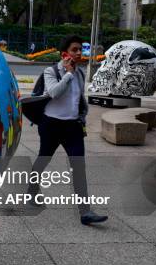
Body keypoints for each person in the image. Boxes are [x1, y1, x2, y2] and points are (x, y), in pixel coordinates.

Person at [28, 35, 108, 226]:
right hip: (51, 126)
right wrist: (68, 74)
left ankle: (85, 212)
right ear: (64, 53)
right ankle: (32, 189)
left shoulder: (80, 74)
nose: (79, 53)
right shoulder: (51, 71)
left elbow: (78, 98)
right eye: (75, 50)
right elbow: (54, 93)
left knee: (79, 166)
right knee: (43, 158)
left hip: (72, 127)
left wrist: (82, 116)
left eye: (80, 49)